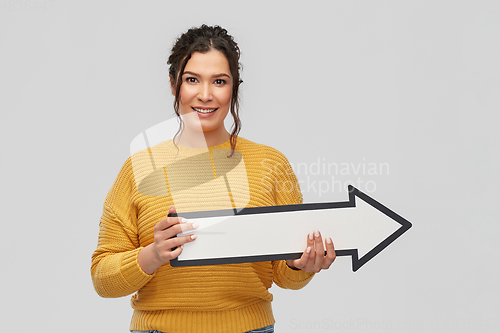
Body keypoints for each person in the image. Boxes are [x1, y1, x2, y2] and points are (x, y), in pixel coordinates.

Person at [91, 24, 336, 333]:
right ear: (173, 84)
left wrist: (301, 265)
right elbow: (102, 278)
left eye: (219, 81)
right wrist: (153, 254)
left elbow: (285, 276)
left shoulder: (271, 164)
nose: (205, 95)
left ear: (234, 87)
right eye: (192, 80)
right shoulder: (138, 167)